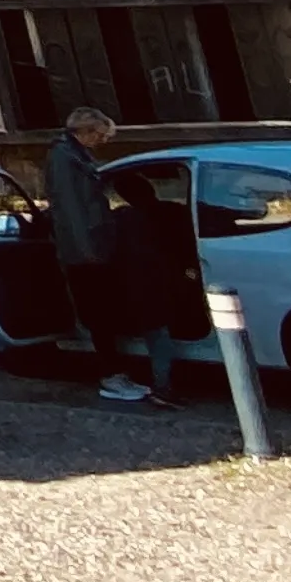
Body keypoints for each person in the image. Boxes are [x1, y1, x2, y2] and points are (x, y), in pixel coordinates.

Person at [44, 104, 149, 403]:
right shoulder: (65, 159)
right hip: (84, 252)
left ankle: (116, 372)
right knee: (100, 314)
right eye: (101, 136)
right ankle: (111, 376)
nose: (104, 142)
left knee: (106, 313)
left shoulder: (75, 155)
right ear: (86, 132)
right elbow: (72, 209)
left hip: (92, 246)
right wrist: (87, 250)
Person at [109, 166, 195, 411]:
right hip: (172, 282)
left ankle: (163, 388)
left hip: (141, 286)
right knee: (160, 337)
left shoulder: (121, 220)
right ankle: (163, 387)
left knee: (157, 338)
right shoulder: (172, 211)